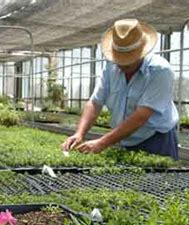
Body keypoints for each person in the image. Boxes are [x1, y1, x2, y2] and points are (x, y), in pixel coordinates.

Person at [62, 19, 179, 160]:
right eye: (119, 60)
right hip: (124, 138)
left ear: (141, 53)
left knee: (159, 179)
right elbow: (95, 102)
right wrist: (79, 133)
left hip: (156, 139)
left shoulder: (160, 71)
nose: (121, 66)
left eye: (127, 62)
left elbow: (141, 116)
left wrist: (102, 143)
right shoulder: (110, 66)